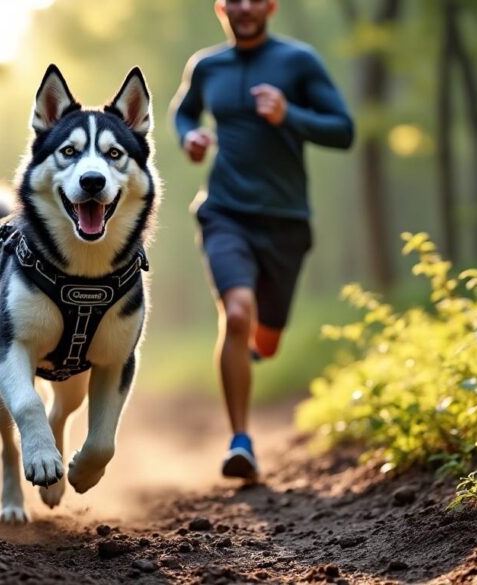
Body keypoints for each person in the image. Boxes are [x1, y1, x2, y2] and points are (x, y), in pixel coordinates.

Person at [170, 0, 354, 480]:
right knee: (235, 314)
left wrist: (289, 114)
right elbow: (183, 112)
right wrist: (190, 138)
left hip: (286, 222)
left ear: (270, 5)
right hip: (225, 212)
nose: (244, 7)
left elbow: (344, 130)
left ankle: (250, 352)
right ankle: (241, 442)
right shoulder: (207, 65)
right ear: (221, 7)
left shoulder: (298, 61)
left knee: (265, 341)